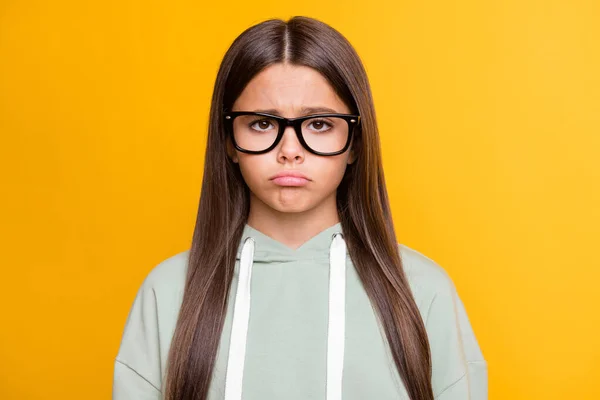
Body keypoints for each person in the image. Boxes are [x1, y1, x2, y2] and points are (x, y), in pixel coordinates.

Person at [112, 16, 487, 400]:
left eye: (320, 124)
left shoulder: (423, 291)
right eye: (261, 124)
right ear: (229, 141)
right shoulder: (169, 291)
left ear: (355, 141)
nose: (289, 150)